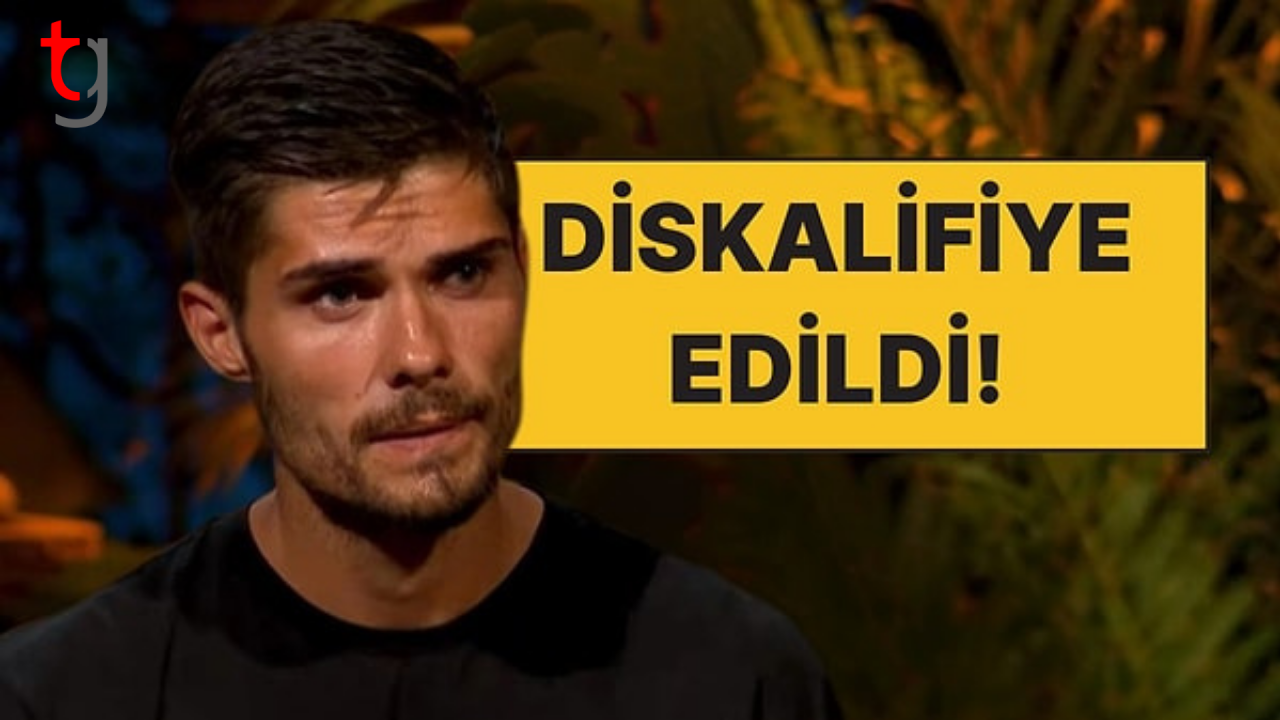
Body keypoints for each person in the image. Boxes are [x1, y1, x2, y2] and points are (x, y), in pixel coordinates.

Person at [0, 19, 843, 720]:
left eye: (464, 274)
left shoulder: (733, 676)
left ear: (524, 271)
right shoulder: (66, 695)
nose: (420, 353)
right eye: (340, 294)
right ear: (221, 334)